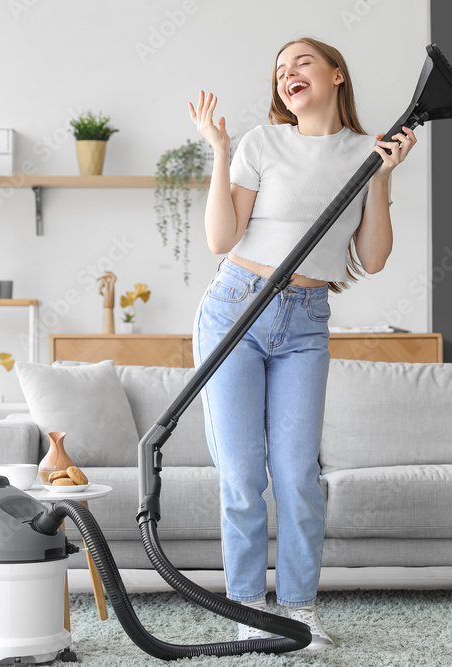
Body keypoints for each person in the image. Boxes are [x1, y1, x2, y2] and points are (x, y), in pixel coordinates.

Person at [187, 36, 416, 649]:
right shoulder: (262, 143)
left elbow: (372, 256)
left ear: (336, 75)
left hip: (307, 320)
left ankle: (297, 609)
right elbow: (220, 237)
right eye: (280, 68)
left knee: (296, 475)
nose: (288, 74)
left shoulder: (369, 153)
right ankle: (244, 607)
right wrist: (218, 151)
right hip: (236, 309)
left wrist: (384, 177)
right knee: (241, 476)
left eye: (302, 62)